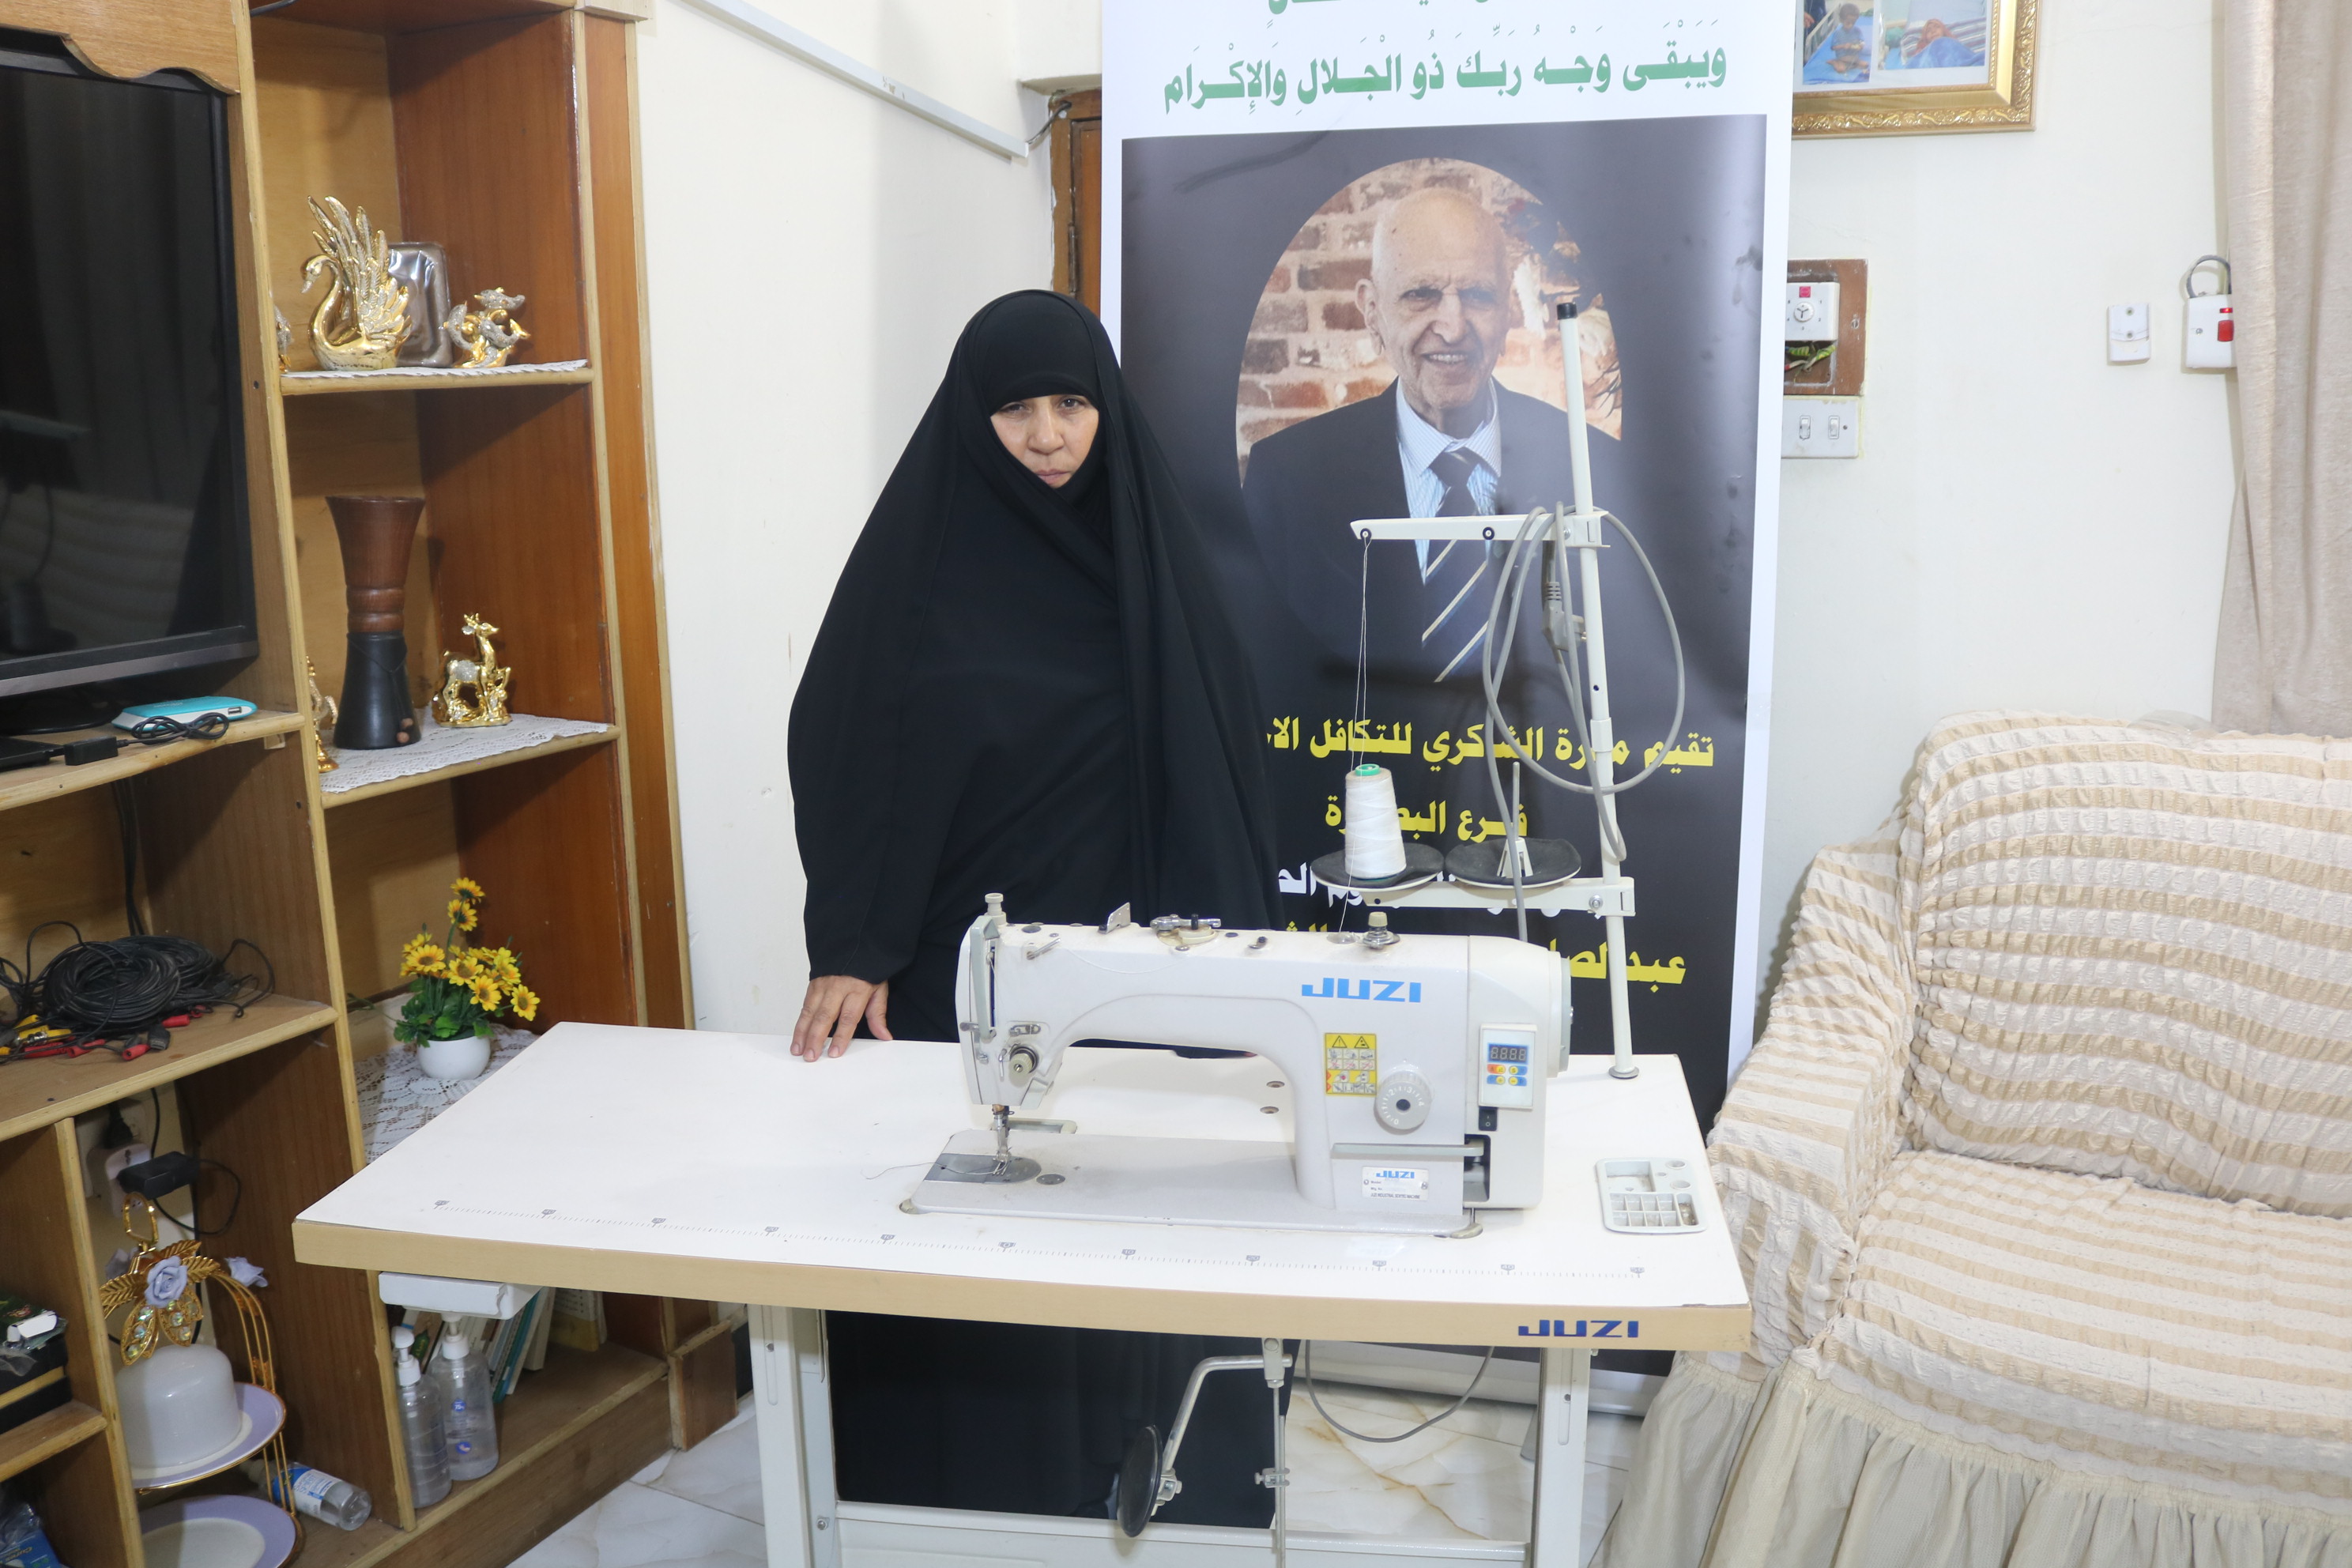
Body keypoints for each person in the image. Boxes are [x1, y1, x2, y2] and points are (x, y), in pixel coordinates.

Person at [784, 290, 1284, 1525]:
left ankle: (1163, 1487)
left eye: (1071, 404)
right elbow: (847, 742)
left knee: (1130, 1233)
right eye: (1016, 411)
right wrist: (855, 941)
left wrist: (1235, 976)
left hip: (1127, 975)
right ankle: (945, 1512)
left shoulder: (1153, 557)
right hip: (957, 972)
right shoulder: (922, 564)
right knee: (961, 1253)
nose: (1049, 436)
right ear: (974, 418)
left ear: (1106, 407)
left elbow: (1224, 754)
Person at [1242, 187, 1576, 677]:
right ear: (1372, 310)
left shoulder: (1586, 464)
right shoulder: (1287, 479)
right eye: (1422, 294)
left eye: (1477, 295)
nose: (1452, 327)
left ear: (1507, 307)